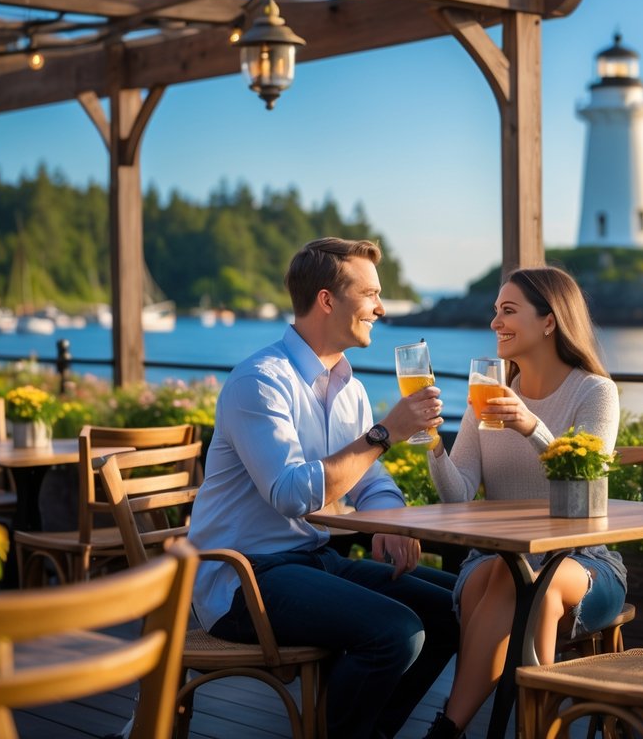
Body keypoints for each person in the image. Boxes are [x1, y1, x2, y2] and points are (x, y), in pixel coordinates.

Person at [188, 237, 458, 739]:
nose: (381, 307)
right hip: (243, 578)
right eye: (371, 294)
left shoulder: (348, 386)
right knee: (396, 633)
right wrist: (384, 433)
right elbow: (290, 492)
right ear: (327, 300)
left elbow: (371, 477)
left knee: (455, 608)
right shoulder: (260, 382)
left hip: (311, 559)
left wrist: (389, 521)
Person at [423, 266, 623, 739]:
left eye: (508, 311)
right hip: (493, 562)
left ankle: (451, 728)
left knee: (535, 581)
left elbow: (585, 477)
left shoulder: (595, 392)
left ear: (549, 321)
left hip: (584, 562)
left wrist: (531, 427)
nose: (495, 322)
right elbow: (458, 493)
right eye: (495, 312)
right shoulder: (486, 396)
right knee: (504, 574)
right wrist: (430, 441)